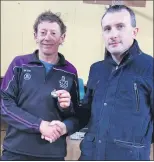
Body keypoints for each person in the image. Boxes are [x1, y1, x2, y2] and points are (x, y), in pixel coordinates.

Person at [77, 5, 154, 160]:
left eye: (120, 27)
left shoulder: (150, 68)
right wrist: (64, 109)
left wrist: (136, 146)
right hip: (90, 156)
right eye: (107, 29)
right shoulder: (96, 69)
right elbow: (86, 113)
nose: (113, 34)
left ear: (134, 31)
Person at [1, 11, 80, 160]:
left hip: (52, 154)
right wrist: (39, 125)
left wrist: (66, 108)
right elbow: (4, 104)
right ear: (35, 36)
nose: (47, 37)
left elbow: (76, 116)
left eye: (53, 33)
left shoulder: (70, 71)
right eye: (43, 32)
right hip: (16, 151)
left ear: (62, 38)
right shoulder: (19, 64)